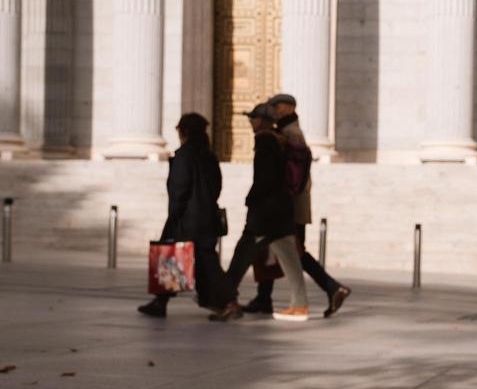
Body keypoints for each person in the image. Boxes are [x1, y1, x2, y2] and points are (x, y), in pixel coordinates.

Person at [240, 93, 351, 318]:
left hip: (290, 205)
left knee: (293, 252)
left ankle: (331, 287)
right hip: (284, 204)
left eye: (278, 105)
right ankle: (264, 297)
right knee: (271, 250)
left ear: (290, 107)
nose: (275, 110)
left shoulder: (291, 134)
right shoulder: (284, 132)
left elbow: (291, 175)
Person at [139, 113, 240, 320]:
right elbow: (216, 187)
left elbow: (179, 190)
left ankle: (229, 301)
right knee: (192, 259)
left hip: (186, 219)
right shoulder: (208, 156)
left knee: (193, 261)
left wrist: (175, 214)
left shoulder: (184, 156)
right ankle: (161, 300)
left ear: (183, 132)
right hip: (207, 217)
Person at [223, 103, 311, 322]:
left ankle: (225, 299)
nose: (251, 123)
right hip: (282, 208)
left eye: (253, 119)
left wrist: (251, 198)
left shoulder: (264, 140)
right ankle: (299, 305)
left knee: (242, 256)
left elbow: (264, 177)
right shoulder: (279, 139)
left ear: (261, 120)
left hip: (265, 212)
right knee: (290, 259)